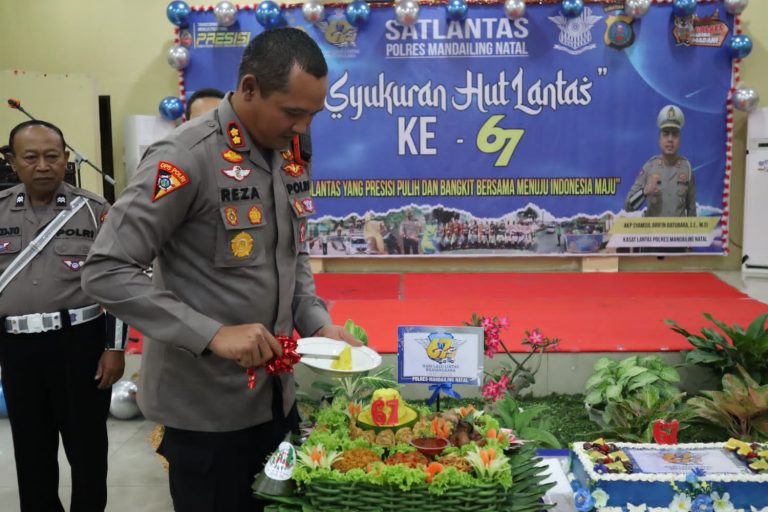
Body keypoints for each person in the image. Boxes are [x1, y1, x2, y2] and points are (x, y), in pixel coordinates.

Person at [82, 28, 360, 512]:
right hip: (205, 414)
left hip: (277, 401)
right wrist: (212, 334)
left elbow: (291, 257)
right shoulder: (185, 158)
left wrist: (319, 323)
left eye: (313, 115)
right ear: (249, 88)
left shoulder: (291, 151)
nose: (302, 127)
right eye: (293, 112)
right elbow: (106, 269)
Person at [0, 120, 126, 512]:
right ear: (12, 162)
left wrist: (114, 347)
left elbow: (119, 283)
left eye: (52, 156)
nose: (43, 166)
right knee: (31, 451)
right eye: (31, 157)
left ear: (66, 160)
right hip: (17, 348)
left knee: (87, 450)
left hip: (80, 346)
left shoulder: (94, 211)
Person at [624, 105, 696, 217]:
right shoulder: (649, 167)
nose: (670, 139)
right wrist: (645, 191)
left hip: (678, 233)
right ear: (659, 139)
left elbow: (692, 211)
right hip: (653, 233)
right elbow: (628, 206)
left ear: (680, 139)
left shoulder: (687, 168)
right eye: (666, 134)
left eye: (675, 135)